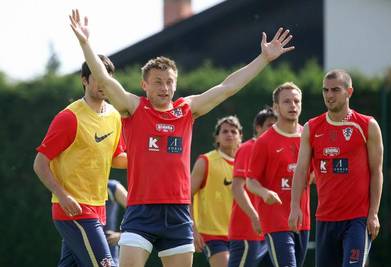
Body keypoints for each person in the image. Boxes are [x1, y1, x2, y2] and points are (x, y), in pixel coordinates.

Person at [69, 8, 295, 267]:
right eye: (157, 82)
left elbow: (227, 87)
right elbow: (106, 81)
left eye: (169, 81)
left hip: (177, 213)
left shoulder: (186, 110)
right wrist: (85, 44)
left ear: (175, 84)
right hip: (141, 211)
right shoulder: (134, 108)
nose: (164, 87)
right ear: (145, 85)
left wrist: (263, 59)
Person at [33, 54, 127, 267]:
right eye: (97, 77)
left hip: (98, 207)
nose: (103, 82)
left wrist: (148, 158)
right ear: (84, 80)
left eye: (107, 77)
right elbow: (40, 163)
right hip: (73, 210)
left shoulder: (114, 116)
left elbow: (116, 158)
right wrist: (62, 195)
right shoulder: (69, 118)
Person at [288, 69, 384, 267]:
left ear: (349, 92)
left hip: (357, 220)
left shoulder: (367, 125)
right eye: (325, 90)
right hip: (325, 219)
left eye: (335, 90)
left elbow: (376, 172)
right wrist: (294, 206)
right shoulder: (311, 127)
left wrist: (373, 213)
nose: (329, 95)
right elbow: (301, 170)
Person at [246, 82, 310, 267]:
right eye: (287, 101)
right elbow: (251, 182)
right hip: (275, 221)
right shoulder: (264, 141)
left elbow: (313, 175)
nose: (293, 106)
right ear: (276, 107)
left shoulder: (308, 137)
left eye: (297, 101)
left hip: (302, 220)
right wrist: (265, 193)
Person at [228, 107, 277, 267]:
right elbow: (237, 187)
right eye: (270, 125)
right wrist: (255, 218)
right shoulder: (249, 147)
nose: (274, 129)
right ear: (258, 127)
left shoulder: (275, 150)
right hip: (247, 231)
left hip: (269, 231)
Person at [191, 116, 243, 267]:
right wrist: (192, 230)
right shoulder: (205, 161)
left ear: (241, 137)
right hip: (212, 234)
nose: (229, 134)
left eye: (234, 131)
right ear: (217, 138)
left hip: (242, 235)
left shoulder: (247, 162)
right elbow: (186, 196)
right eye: (224, 131)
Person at [105, 179, 128, 266]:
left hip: (108, 250)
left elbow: (137, 212)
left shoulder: (111, 186)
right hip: (78, 247)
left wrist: (124, 235)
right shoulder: (75, 187)